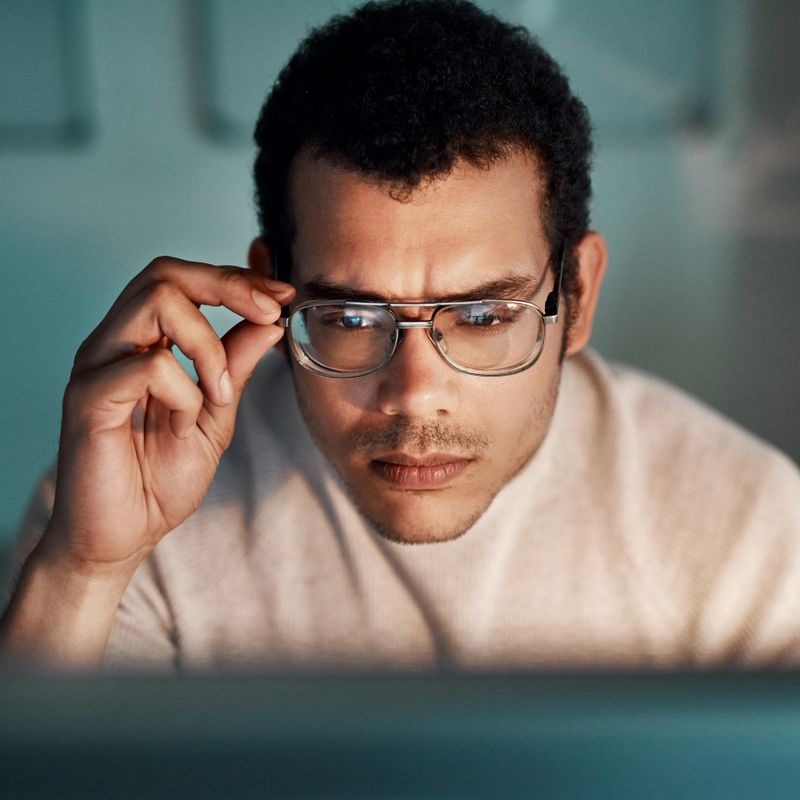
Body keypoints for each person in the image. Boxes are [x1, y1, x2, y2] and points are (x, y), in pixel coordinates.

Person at [2, 0, 799, 672]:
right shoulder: (128, 505)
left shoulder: (748, 530)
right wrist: (83, 571)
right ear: (269, 296)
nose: (416, 391)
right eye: (350, 318)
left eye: (484, 316)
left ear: (578, 297)